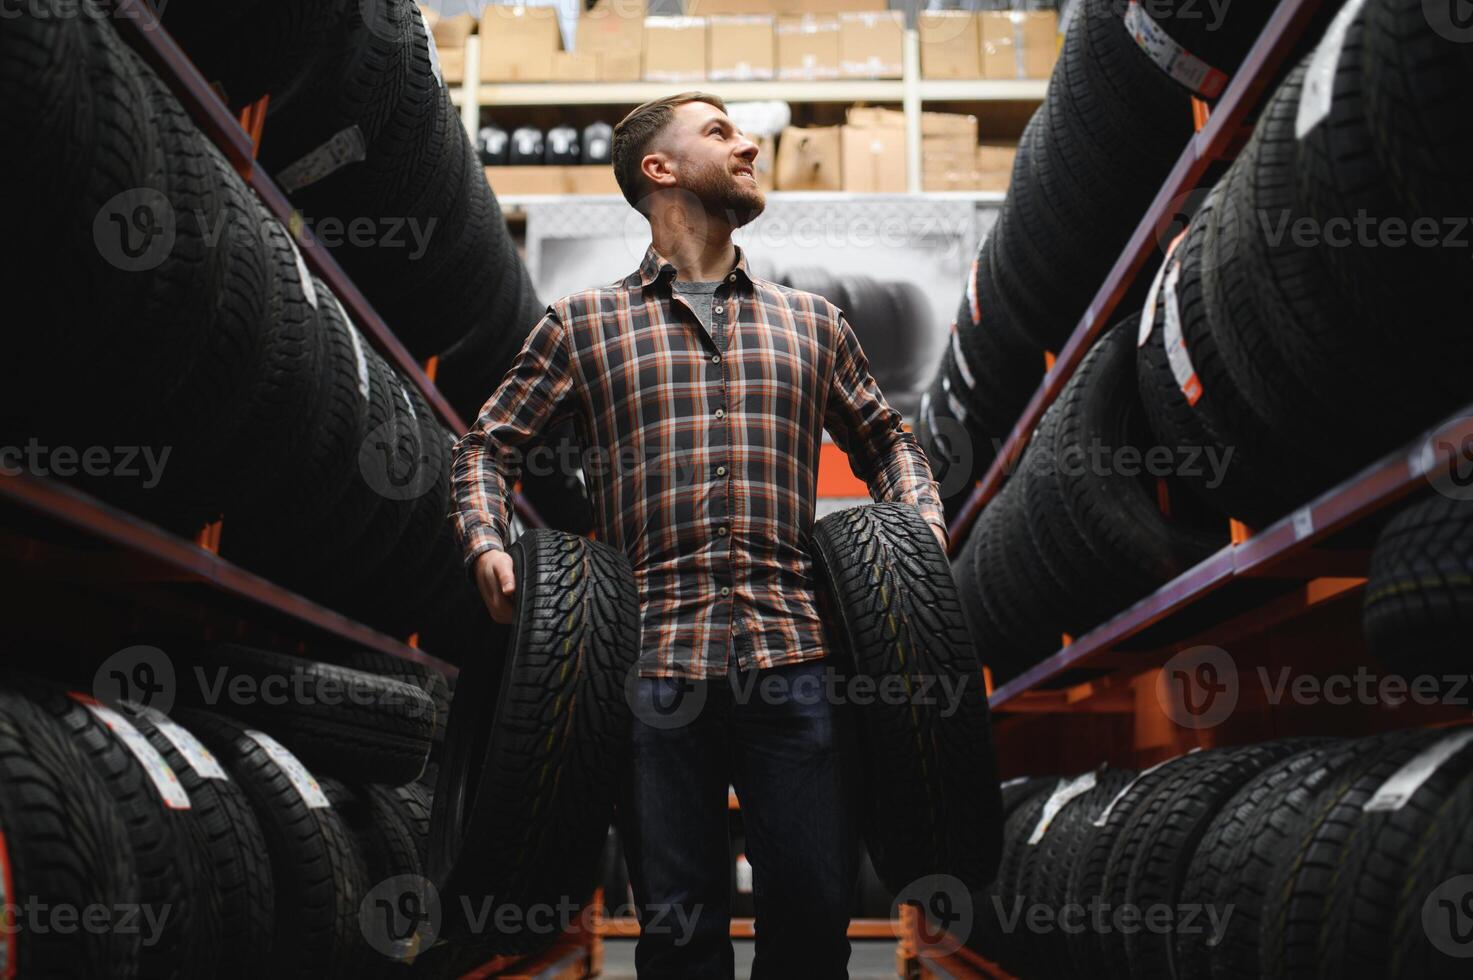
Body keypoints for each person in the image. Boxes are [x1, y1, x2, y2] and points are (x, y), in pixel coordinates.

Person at [448, 91, 949, 978]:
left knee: (811, 920)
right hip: (654, 675)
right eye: (720, 131)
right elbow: (487, 448)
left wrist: (915, 532)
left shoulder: (813, 324)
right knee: (678, 934)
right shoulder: (583, 325)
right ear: (659, 168)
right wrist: (487, 540)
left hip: (795, 663)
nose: (749, 143)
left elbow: (888, 444)